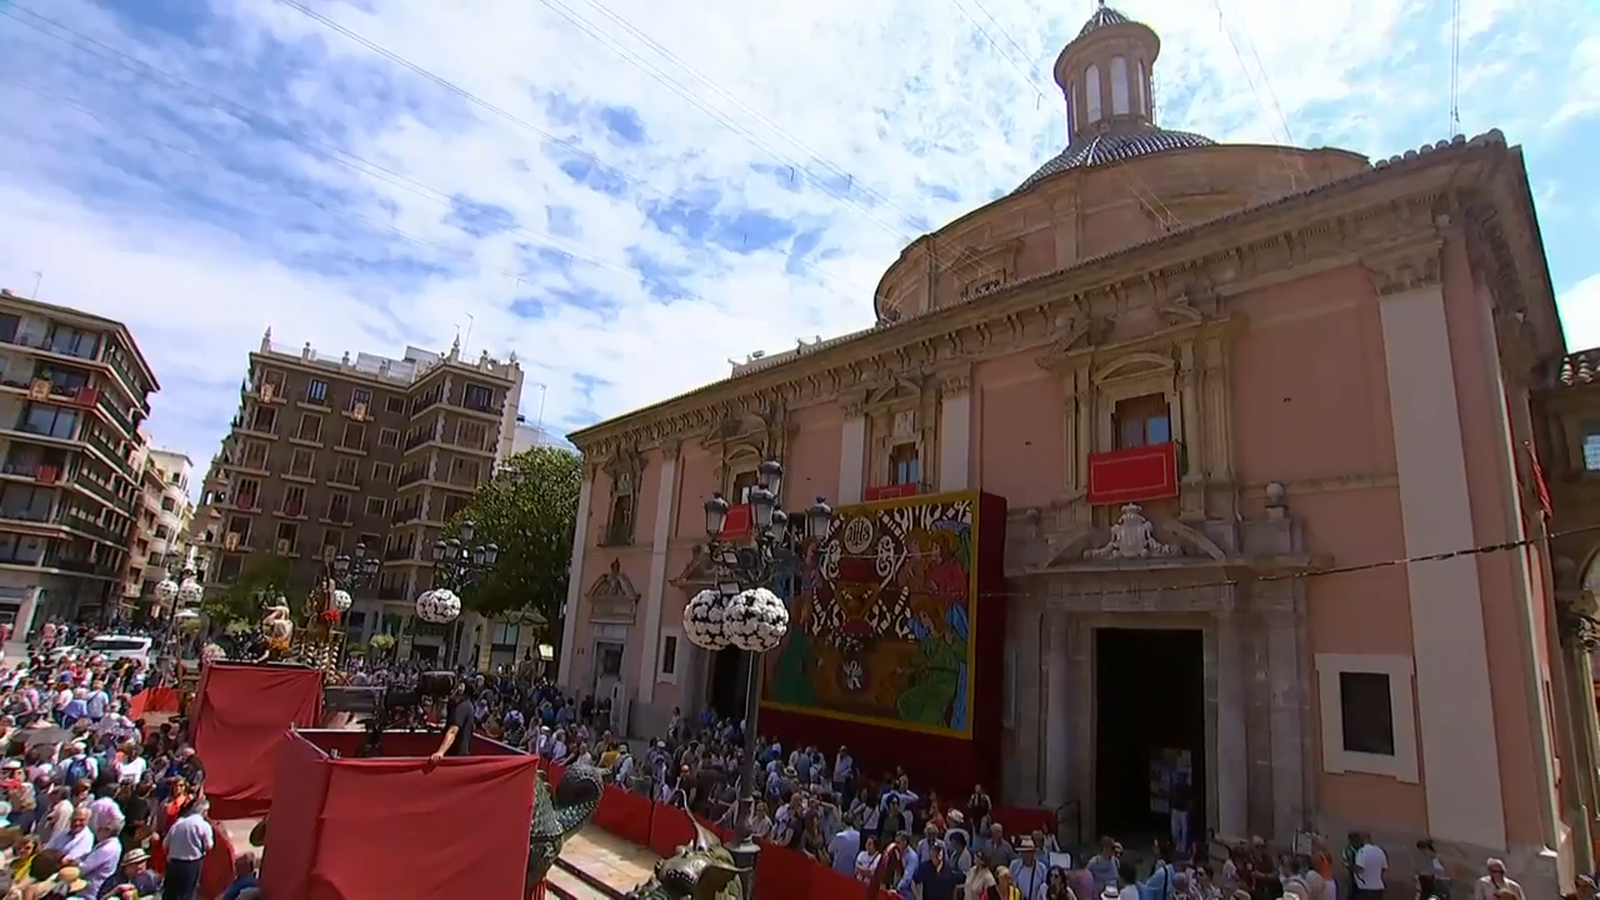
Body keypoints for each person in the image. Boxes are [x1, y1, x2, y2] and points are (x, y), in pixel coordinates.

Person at [162, 798, 214, 900]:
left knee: (170, 894)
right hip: (191, 864)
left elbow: (165, 845)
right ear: (204, 811)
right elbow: (209, 846)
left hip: (174, 863)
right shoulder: (204, 826)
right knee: (186, 894)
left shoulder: (178, 824)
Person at [429, 678, 476, 763]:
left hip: (457, 757)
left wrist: (440, 752)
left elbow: (453, 730)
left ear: (461, 688)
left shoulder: (462, 706)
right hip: (455, 755)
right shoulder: (463, 705)